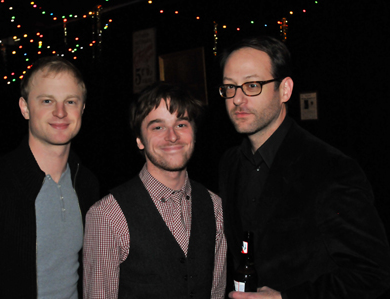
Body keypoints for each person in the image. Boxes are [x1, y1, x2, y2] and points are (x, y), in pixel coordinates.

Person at [218, 35, 390, 299]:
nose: (238, 99)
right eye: (230, 87)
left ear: (284, 90)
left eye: (252, 85)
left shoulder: (329, 168)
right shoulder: (230, 163)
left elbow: (372, 274)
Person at [0, 56, 99, 299]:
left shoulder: (87, 183)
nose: (60, 112)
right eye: (47, 101)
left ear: (83, 109)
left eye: (70, 101)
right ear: (25, 108)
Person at [83, 81, 227, 299]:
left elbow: (215, 293)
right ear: (140, 140)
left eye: (181, 124)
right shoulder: (107, 215)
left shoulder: (214, 206)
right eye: (158, 127)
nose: (172, 136)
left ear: (194, 134)